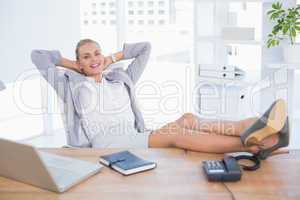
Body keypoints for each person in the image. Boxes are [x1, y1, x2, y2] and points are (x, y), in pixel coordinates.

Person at [31, 40, 289, 159]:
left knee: (188, 118)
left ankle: (250, 127)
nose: (93, 58)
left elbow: (145, 48)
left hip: (132, 134)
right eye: (86, 56)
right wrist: (74, 66)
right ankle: (249, 145)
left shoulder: (120, 77)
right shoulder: (69, 84)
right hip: (105, 141)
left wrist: (112, 58)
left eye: (96, 53)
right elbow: (38, 55)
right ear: (79, 62)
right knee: (177, 134)